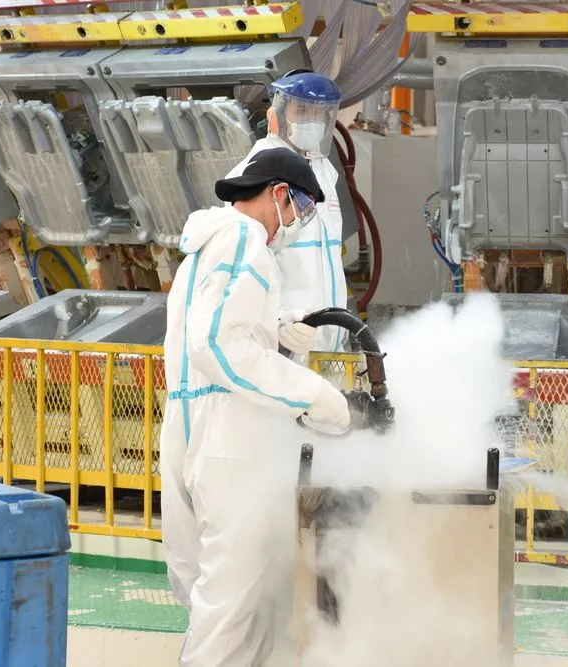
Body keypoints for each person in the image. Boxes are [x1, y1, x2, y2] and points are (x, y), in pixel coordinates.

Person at [160, 148, 351, 666]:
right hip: (229, 437)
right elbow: (218, 344)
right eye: (301, 208)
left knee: (213, 594)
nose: (296, 222)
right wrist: (315, 395)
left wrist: (279, 329)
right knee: (233, 605)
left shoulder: (204, 247)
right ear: (279, 193)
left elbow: (215, 330)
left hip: (187, 427)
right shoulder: (246, 238)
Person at [226, 70, 349, 360]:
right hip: (283, 346)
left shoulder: (323, 171)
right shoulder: (257, 174)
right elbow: (240, 269)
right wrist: (279, 321)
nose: (312, 120)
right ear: (278, 115)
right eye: (302, 110)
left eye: (319, 113)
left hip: (327, 346)